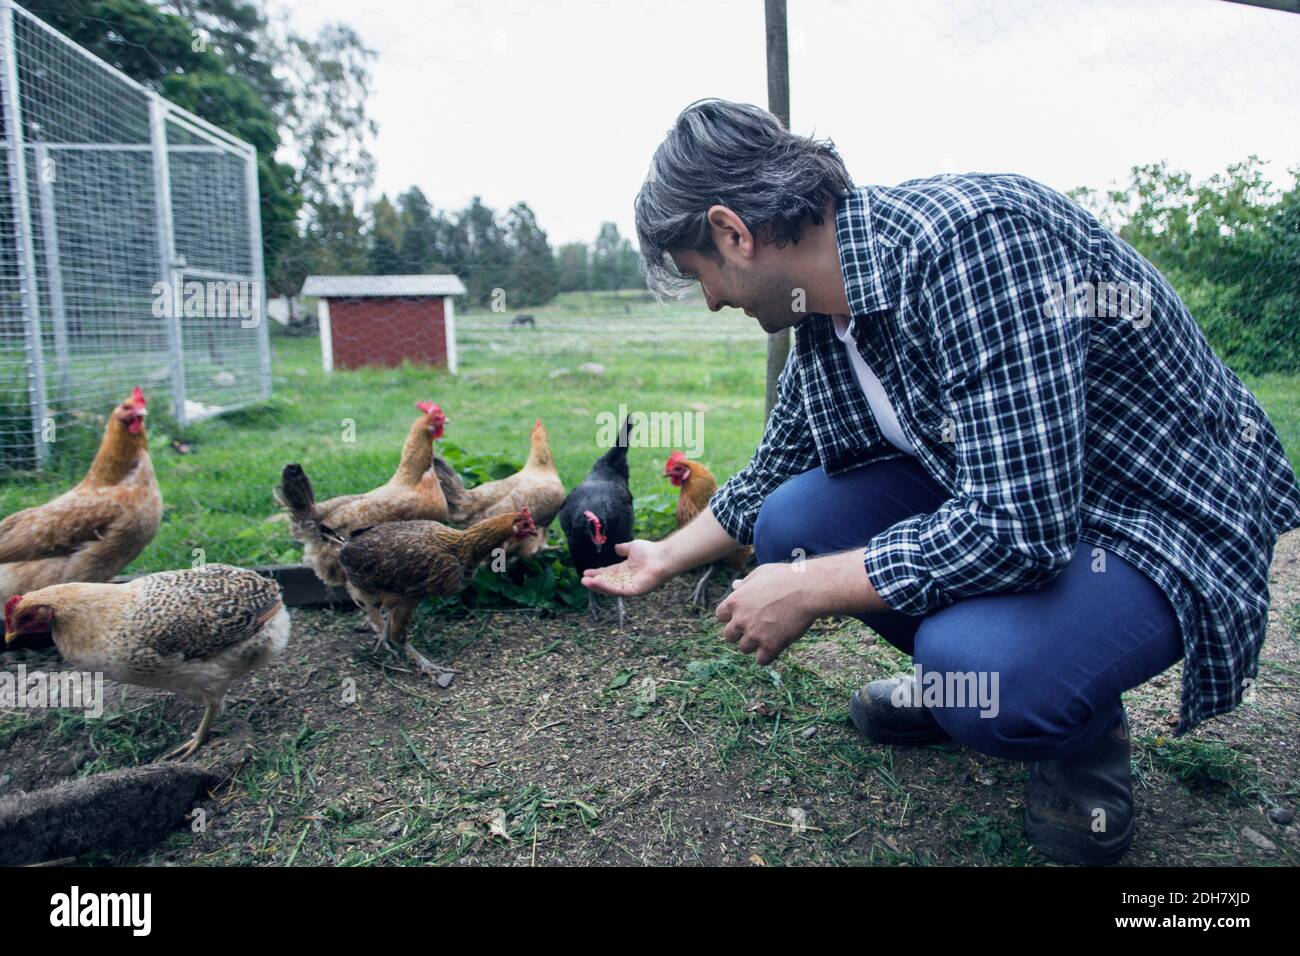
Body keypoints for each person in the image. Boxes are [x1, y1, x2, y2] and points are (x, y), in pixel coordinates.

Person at [583, 99, 1300, 865]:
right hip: (1038, 502)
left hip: (1155, 511)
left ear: (734, 232)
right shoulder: (824, 308)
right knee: (792, 523)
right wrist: (666, 555)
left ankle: (1074, 720)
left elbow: (1019, 526)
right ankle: (983, 669)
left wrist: (809, 589)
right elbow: (777, 464)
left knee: (975, 662)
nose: (714, 299)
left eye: (701, 275)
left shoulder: (974, 246)